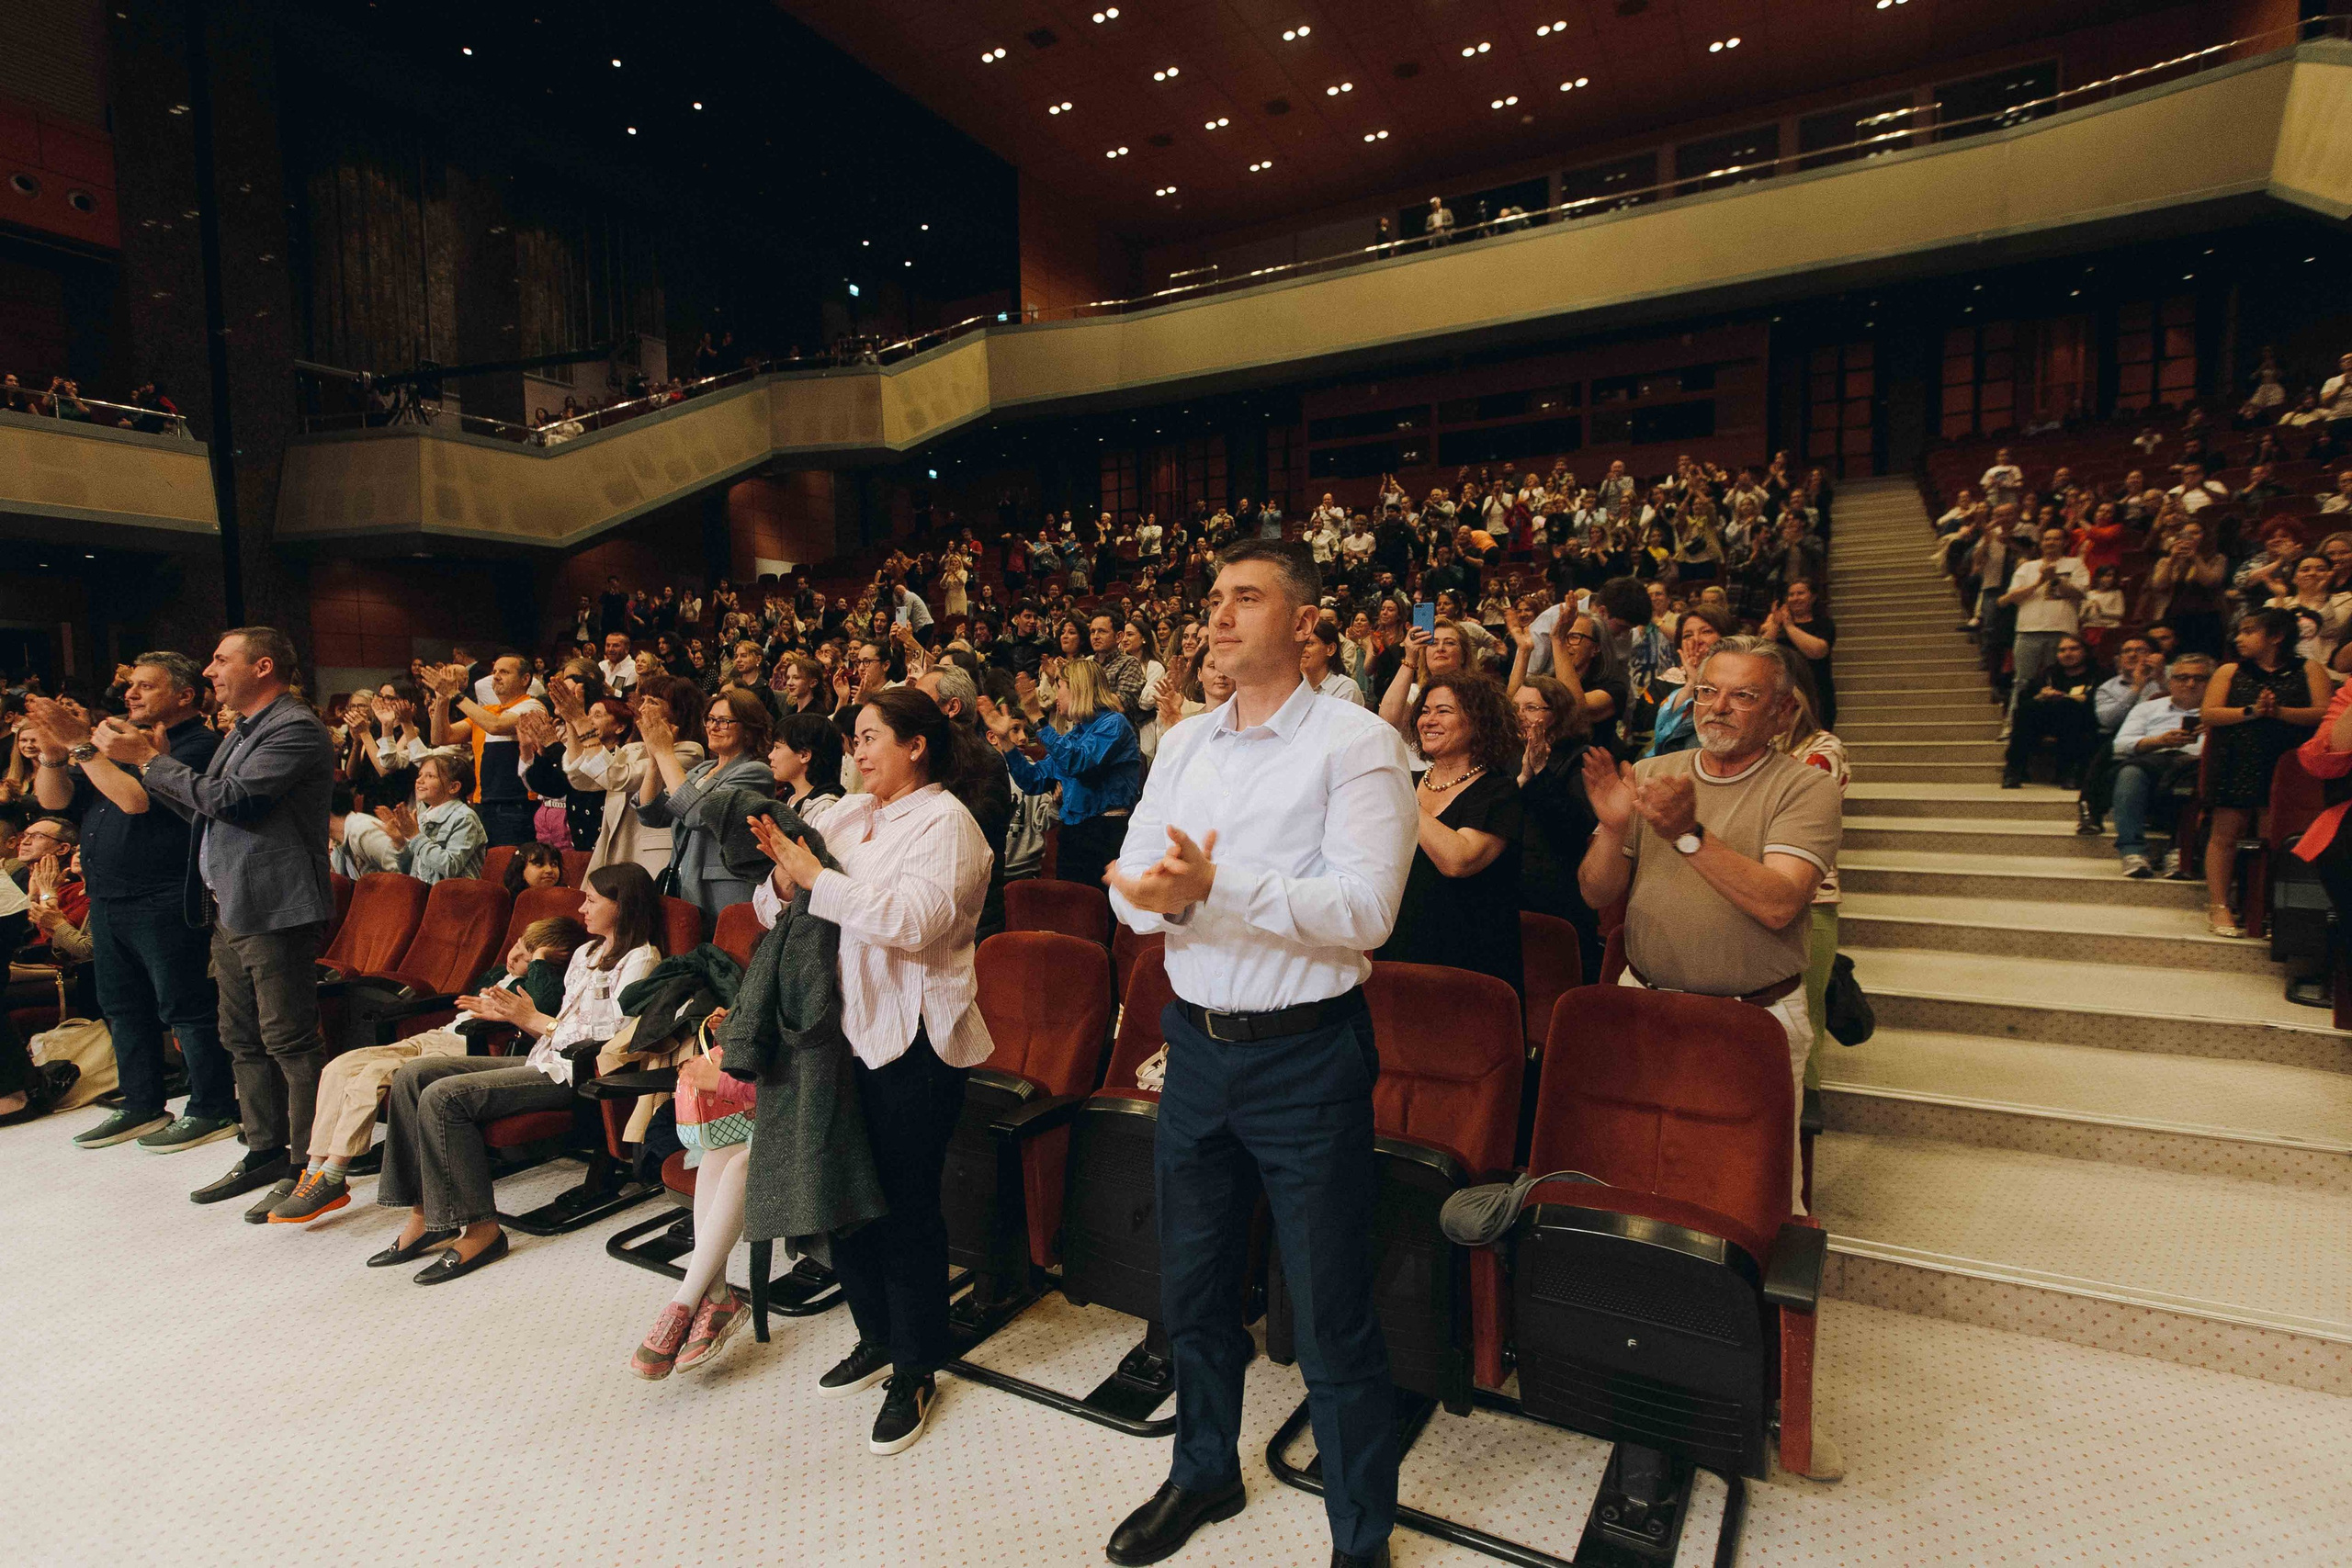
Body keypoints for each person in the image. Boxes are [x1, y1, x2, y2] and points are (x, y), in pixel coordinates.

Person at [1103, 540, 1416, 1568]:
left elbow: (1366, 914)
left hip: (1304, 1059)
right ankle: (1203, 1471)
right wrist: (1142, 897)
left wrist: (1212, 889)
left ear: (1305, 623)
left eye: (1246, 598)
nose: (1220, 617)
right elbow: (1130, 881)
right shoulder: (1186, 744)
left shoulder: (1355, 742)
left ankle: (1359, 1536)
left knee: (1328, 1312)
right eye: (1214, 601)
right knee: (1189, 1290)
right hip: (1192, 1048)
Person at [746, 687, 998, 1456]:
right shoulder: (844, 814)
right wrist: (788, 881)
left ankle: (916, 1367)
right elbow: (770, 904)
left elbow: (912, 921)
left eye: (869, 737)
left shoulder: (947, 822)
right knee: (842, 1197)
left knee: (904, 1209)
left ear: (916, 744)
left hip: (914, 1041)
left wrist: (815, 881)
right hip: (836, 1034)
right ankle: (876, 1335)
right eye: (852, 740)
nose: (855, 752)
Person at [1576, 637, 1842, 1233]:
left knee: (1752, 1193)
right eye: (1708, 691)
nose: (1718, 706)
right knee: (1639, 1172)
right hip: (1646, 1002)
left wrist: (1687, 833)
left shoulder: (1805, 788)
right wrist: (1612, 828)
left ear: (1782, 713)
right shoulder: (1651, 772)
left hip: (1755, 1017)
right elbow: (1595, 893)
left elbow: (1778, 902)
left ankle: (1759, 1312)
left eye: (1743, 695)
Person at [96, 628, 335, 1216]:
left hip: (276, 906)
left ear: (263, 666)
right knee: (240, 1037)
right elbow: (203, 808)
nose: (208, 671)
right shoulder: (246, 728)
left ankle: (311, 1164)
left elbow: (235, 802)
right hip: (230, 903)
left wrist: (151, 761)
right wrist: (153, 770)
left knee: (290, 1040)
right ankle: (264, 1149)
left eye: (220, 660)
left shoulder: (295, 726)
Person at [369, 864, 663, 1283]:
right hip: (541, 1059)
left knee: (444, 1096)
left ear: (623, 906)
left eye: (592, 900)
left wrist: (536, 1021)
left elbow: (616, 1037)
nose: (582, 907)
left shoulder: (642, 959)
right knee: (414, 1074)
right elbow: (558, 1017)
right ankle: (425, 1214)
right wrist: (509, 1014)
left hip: (578, 1074)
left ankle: (482, 1230)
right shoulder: (585, 953)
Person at [22, 655, 236, 1153]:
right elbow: (54, 802)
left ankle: (212, 1106)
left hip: (164, 893)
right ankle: (141, 1104)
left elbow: (135, 800)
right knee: (121, 1006)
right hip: (110, 894)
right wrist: (55, 754)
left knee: (184, 1005)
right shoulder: (118, 743)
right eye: (130, 686)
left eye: (146, 686)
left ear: (185, 695)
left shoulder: (199, 744)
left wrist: (80, 743)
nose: (131, 695)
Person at [267, 916, 583, 1224]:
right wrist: (520, 961)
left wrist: (539, 963)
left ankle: (334, 1173)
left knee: (372, 1075)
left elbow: (543, 1007)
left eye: (528, 955)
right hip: (436, 1036)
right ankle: (312, 1170)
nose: (515, 955)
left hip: (463, 1049)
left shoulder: (545, 982)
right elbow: (468, 997)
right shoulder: (500, 974)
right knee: (340, 1066)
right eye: (517, 944)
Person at [1375, 671, 1523, 997]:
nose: (1429, 720)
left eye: (1443, 711)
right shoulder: (1409, 781)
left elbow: (1458, 860)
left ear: (1477, 721)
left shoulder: (1498, 790)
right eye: (1425, 711)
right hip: (1400, 947)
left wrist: (1402, 794)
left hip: (1468, 963)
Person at [2199, 607, 2329, 936]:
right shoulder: (2230, 671)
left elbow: (2323, 714)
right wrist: (2252, 711)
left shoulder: (2309, 668)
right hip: (2237, 759)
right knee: (2225, 835)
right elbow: (2210, 713)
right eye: (2238, 632)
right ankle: (2219, 906)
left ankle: (2272, 910)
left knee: (2278, 839)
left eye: (2248, 631)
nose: (2239, 638)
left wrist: (2280, 712)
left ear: (2276, 636)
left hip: (2289, 764)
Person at [979, 657, 1141, 882]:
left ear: (1078, 688)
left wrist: (1037, 716)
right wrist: (1005, 741)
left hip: (1106, 835)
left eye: (1060, 687)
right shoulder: (1074, 734)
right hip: (1073, 835)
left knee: (1097, 912)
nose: (1056, 697)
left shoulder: (1114, 724)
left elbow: (1078, 762)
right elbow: (1032, 780)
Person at [637, 687, 775, 923]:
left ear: (749, 730)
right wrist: (654, 759)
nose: (712, 727)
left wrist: (665, 753)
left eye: (723, 721)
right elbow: (652, 814)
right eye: (710, 719)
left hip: (719, 892)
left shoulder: (755, 772)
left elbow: (699, 815)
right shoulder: (700, 771)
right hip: (683, 882)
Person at [1512, 673, 1602, 986]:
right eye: (1516, 707)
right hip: (1513, 889)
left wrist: (1538, 773)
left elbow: (1575, 827)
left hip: (1558, 893)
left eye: (1531, 707)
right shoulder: (1507, 755)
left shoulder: (1582, 758)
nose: (1520, 715)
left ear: (1557, 714)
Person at [2110, 658, 2213, 878]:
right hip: (2154, 759)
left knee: (2193, 778)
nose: (2190, 683)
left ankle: (2180, 851)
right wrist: (2159, 741)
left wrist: (2213, 733)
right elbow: (2120, 745)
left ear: (2212, 682)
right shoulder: (2148, 708)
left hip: (2198, 763)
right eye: (2182, 677)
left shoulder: (2219, 713)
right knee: (2129, 773)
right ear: (2169, 681)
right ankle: (2132, 851)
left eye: (2200, 678)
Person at [2002, 635, 2103, 790]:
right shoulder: (2049, 673)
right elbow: (2026, 697)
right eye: (2062, 650)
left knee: (2068, 706)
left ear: (2085, 652)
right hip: (2048, 719)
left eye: (2073, 649)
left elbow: (2100, 701)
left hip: (2083, 719)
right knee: (2027, 710)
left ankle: (2071, 772)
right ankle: (2014, 770)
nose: (2067, 654)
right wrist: (2040, 696)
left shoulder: (2099, 674)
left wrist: (2068, 697)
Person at [376, 752, 487, 883]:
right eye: (420, 775)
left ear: (453, 787)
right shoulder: (423, 817)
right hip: (425, 896)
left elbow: (450, 866)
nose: (419, 780)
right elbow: (408, 870)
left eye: (430, 776)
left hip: (454, 898)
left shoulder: (465, 818)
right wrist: (400, 843)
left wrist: (415, 836)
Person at [1762, 580, 1837, 730]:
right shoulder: (1775, 626)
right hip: (1783, 691)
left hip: (1815, 692)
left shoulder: (1823, 623)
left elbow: (1817, 652)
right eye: (1791, 595)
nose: (1795, 598)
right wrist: (1776, 625)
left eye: (1800, 593)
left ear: (1813, 597)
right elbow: (1761, 651)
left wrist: (1789, 626)